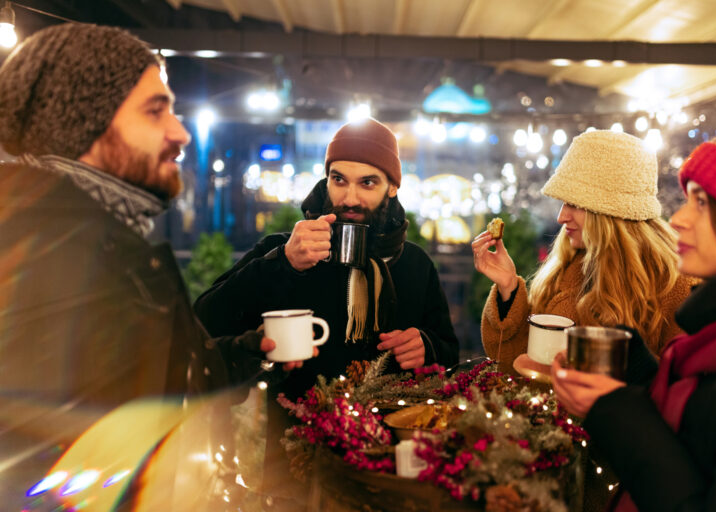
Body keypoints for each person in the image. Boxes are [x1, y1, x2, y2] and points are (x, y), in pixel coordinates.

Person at [0, 23, 295, 510]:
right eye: (155, 110)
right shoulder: (39, 260)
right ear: (86, 122)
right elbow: (38, 477)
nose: (179, 132)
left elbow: (171, 379)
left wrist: (252, 350)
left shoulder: (112, 243)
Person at [194, 117, 459, 509]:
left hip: (387, 471)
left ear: (392, 187)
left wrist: (429, 347)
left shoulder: (414, 265)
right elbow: (205, 318)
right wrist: (282, 262)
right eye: (339, 179)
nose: (349, 197)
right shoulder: (285, 250)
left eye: (367, 182)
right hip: (292, 468)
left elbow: (449, 354)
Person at [552, 123, 716, 511]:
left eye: (701, 202)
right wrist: (639, 369)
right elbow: (703, 437)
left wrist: (618, 411)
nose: (679, 219)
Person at [473, 130, 693, 374]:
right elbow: (514, 363)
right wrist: (508, 289)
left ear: (611, 212)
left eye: (575, 204)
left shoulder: (672, 281)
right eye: (564, 202)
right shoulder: (567, 267)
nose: (561, 217)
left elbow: (680, 391)